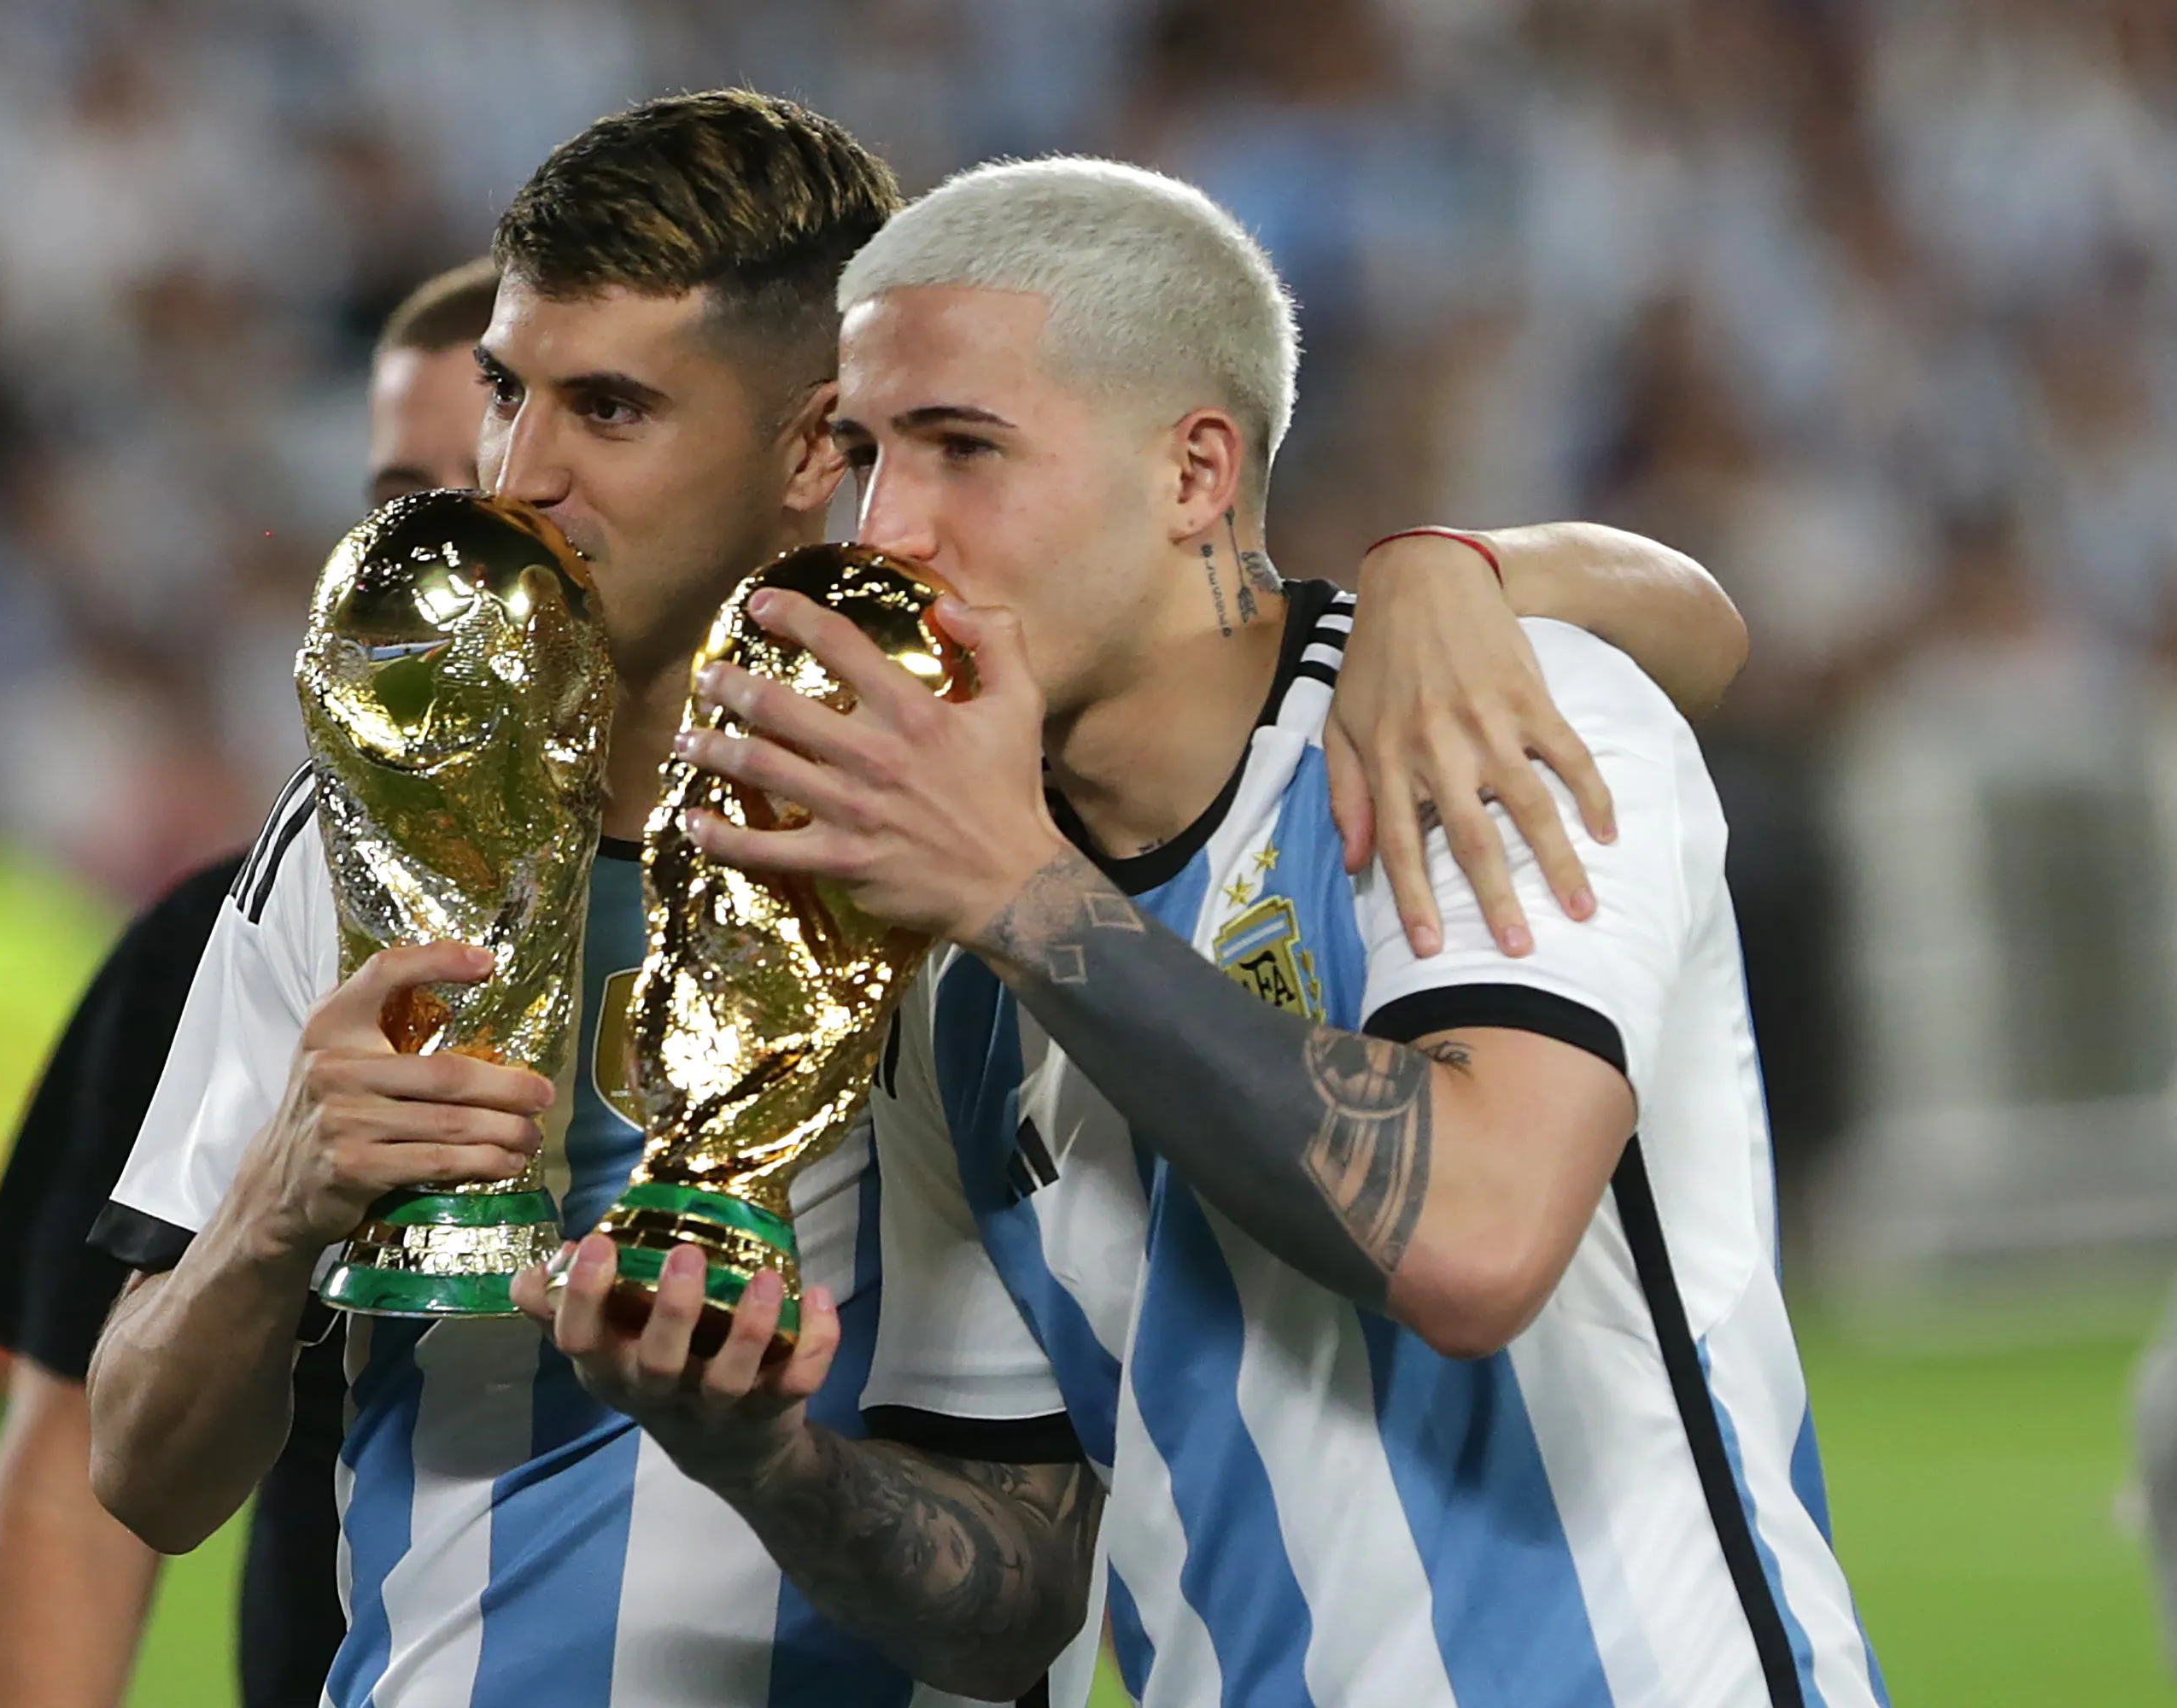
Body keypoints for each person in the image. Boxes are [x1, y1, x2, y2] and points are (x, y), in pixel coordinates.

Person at [88, 94, 1747, 1708]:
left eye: (609, 411)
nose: (515, 475)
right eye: (504, 396)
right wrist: (277, 1201)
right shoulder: (371, 833)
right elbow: (141, 1471)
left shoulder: (982, 868)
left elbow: (1439, 1214)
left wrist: (1454, 566)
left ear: (798, 448)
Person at [526, 158, 1882, 1708]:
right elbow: (1015, 1591)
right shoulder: (936, 966)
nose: (886, 524)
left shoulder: (1493, 722)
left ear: (1193, 475)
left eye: (964, 447)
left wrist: (1013, 892)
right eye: (860, 455)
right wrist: (760, 1456)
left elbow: (1479, 1239)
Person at [0, 257, 500, 1708]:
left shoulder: (843, 917)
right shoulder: (226, 940)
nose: (435, 549)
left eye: (491, 479)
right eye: (396, 494)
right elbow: (79, 1483)